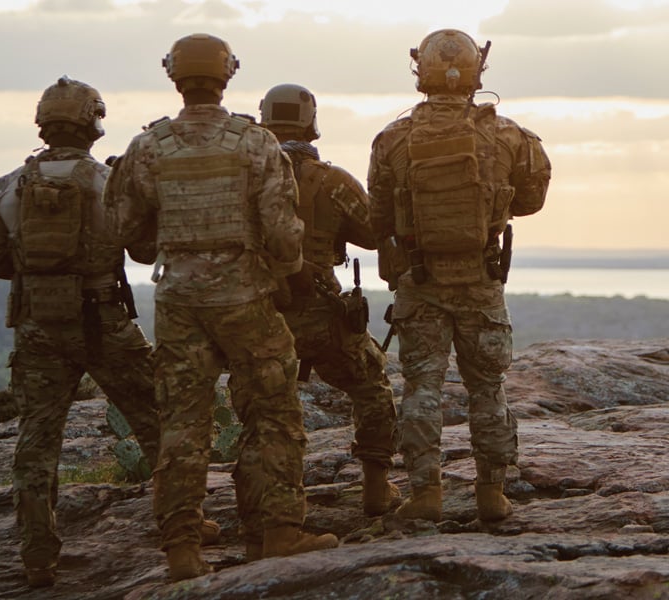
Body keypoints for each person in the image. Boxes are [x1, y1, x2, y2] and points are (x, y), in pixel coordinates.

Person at [103, 33, 338, 581]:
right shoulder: (256, 144)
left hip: (179, 299)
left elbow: (124, 231)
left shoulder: (148, 147)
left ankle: (182, 548)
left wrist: (174, 248)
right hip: (246, 296)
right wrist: (270, 268)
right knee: (273, 410)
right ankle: (277, 529)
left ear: (174, 76)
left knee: (184, 421)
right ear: (228, 74)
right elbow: (283, 237)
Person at [0, 76, 218, 588]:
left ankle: (38, 553)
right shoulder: (110, 182)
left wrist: (39, 272)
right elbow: (145, 249)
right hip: (106, 320)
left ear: (43, 122)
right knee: (157, 420)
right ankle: (182, 528)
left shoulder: (7, 186)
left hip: (38, 326)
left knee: (37, 440)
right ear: (93, 124)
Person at [367, 29, 551, 523]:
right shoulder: (509, 135)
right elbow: (531, 201)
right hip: (480, 281)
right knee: (487, 389)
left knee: (421, 388)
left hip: (420, 282)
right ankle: (492, 494)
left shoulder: (393, 138)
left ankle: (426, 494)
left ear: (419, 73)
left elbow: (378, 216)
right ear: (476, 73)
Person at [258, 83, 399, 517]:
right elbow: (375, 234)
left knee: (264, 411)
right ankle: (376, 487)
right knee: (372, 388)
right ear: (310, 123)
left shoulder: (245, 175)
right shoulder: (332, 181)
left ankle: (272, 503)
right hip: (320, 314)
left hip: (259, 315)